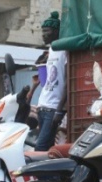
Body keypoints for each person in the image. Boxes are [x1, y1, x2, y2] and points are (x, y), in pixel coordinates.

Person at [29, 11, 68, 151]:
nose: (43, 34)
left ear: (56, 31)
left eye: (47, 31)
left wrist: (59, 111)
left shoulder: (65, 50)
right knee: (46, 148)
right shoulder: (51, 50)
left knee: (41, 148)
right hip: (42, 105)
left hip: (53, 108)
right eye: (43, 31)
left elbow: (68, 83)